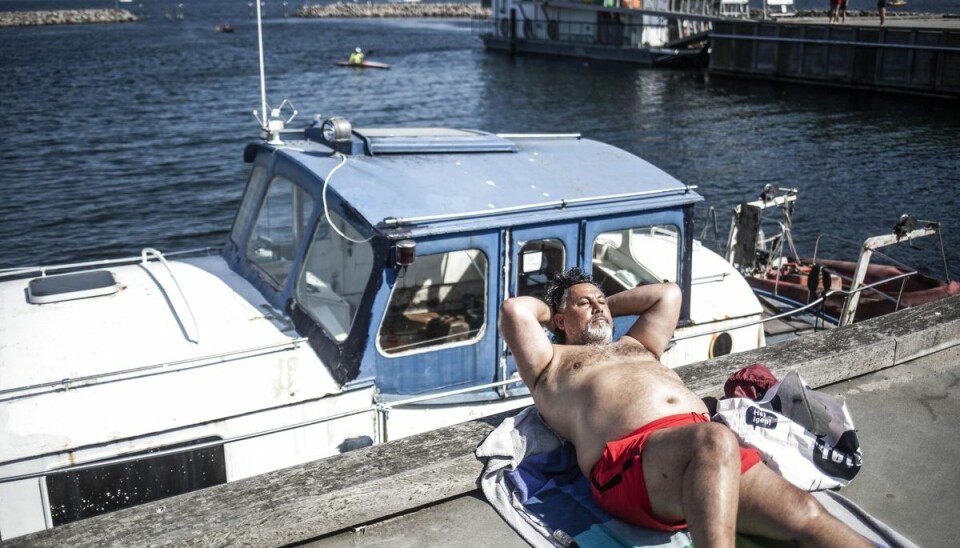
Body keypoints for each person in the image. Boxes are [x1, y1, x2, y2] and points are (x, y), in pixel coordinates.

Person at [499, 267, 871, 547]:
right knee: (713, 439)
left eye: (602, 301)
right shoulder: (552, 361)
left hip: (705, 453)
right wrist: (561, 304)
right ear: (560, 320)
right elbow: (516, 310)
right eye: (585, 303)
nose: (598, 307)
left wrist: (597, 305)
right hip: (630, 460)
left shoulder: (636, 343)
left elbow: (668, 294)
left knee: (806, 515)